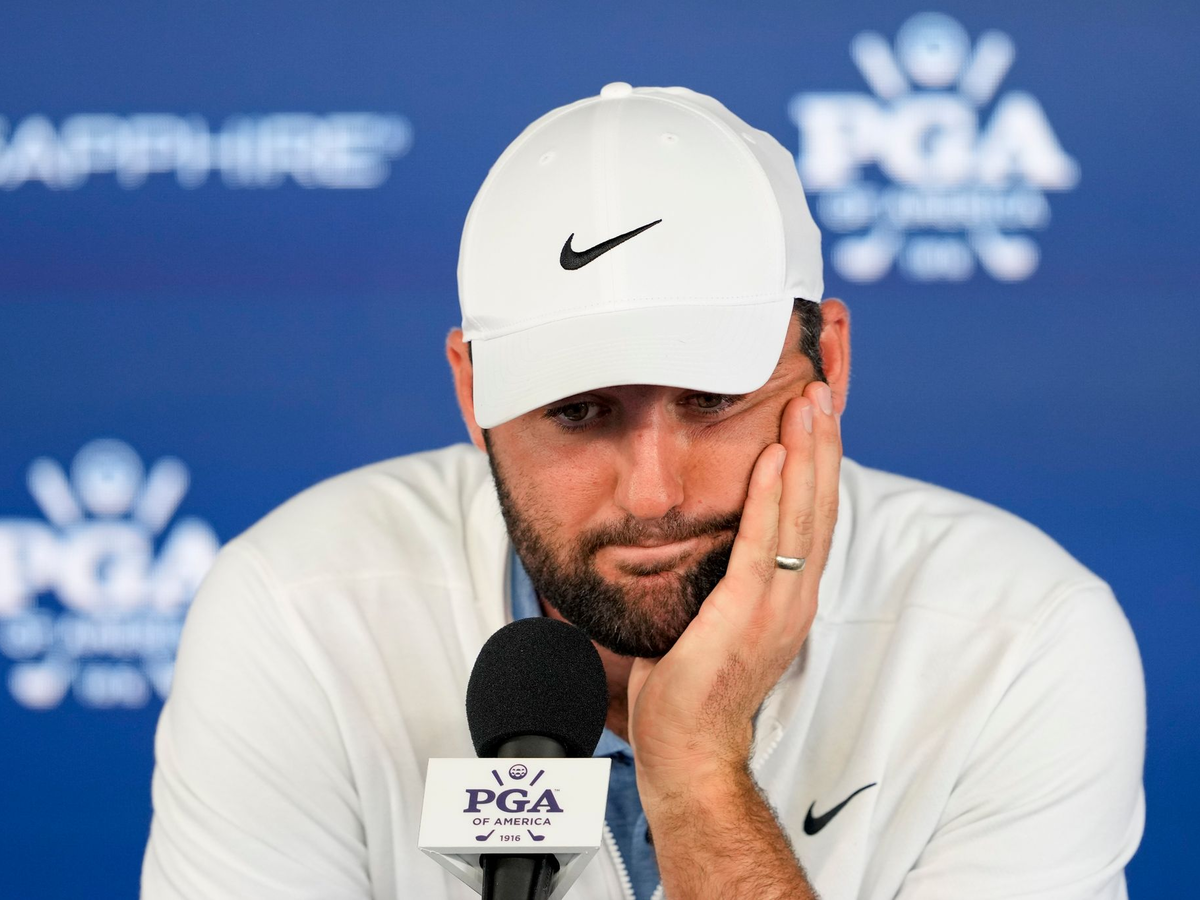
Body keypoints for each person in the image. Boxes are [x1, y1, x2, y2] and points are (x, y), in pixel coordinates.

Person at [141, 84, 1145, 900]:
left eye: (712, 399)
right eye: (579, 411)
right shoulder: (300, 615)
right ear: (473, 394)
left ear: (829, 363)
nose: (656, 493)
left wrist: (697, 770)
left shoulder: (1017, 641)